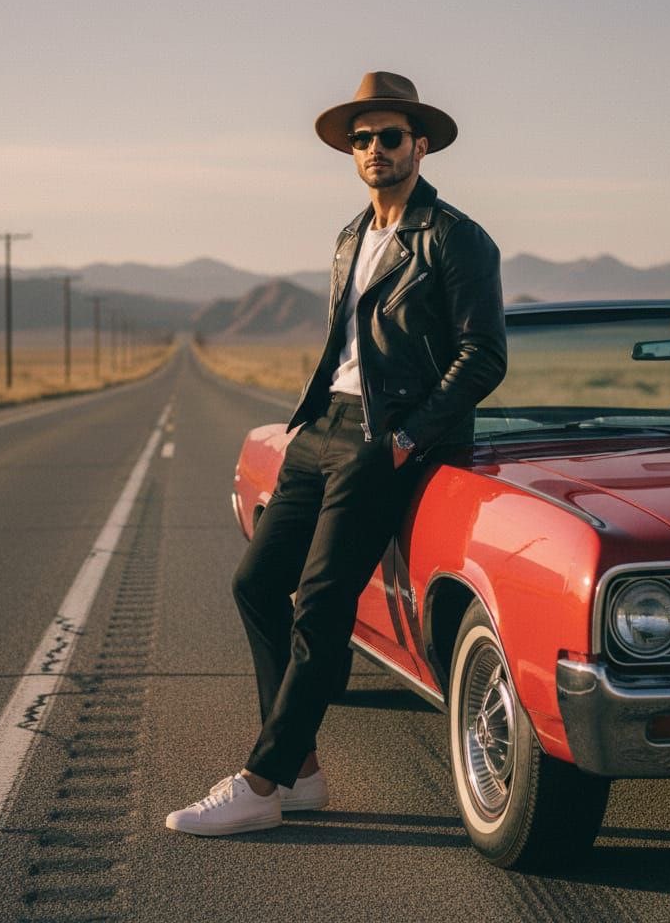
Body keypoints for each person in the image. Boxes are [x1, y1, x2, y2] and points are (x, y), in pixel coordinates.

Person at [166, 71, 508, 836]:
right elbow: (351, 346)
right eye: (363, 139)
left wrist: (409, 436)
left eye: (391, 136)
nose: (376, 150)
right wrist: (315, 415)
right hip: (322, 427)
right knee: (256, 583)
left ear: (420, 145)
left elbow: (484, 355)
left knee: (321, 607)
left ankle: (262, 780)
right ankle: (304, 770)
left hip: (386, 437)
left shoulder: (455, 237)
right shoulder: (351, 237)